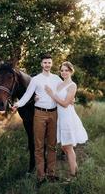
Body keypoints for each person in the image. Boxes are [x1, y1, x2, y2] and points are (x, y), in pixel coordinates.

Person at [12, 53, 63, 185]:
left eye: (49, 62)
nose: (47, 64)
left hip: (53, 114)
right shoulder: (36, 79)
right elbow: (27, 96)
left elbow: (64, 91)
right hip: (39, 114)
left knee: (52, 146)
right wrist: (17, 104)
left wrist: (71, 96)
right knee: (39, 147)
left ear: (52, 64)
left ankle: (51, 174)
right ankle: (41, 177)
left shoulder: (57, 78)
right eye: (45, 62)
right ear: (42, 64)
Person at [45, 61, 88, 178]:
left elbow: (64, 103)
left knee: (68, 147)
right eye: (62, 70)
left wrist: (52, 94)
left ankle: (74, 175)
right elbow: (54, 100)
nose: (64, 72)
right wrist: (38, 97)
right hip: (59, 117)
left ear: (71, 71)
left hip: (67, 117)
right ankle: (76, 171)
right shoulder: (59, 84)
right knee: (64, 146)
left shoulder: (72, 85)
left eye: (66, 70)